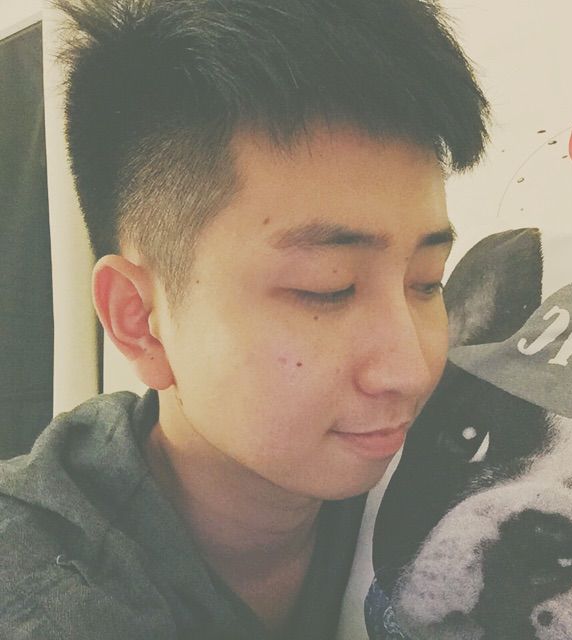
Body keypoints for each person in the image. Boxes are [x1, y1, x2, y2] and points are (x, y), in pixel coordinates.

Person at [0, 0, 489, 638]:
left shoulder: (452, 482)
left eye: (426, 281)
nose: (411, 370)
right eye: (328, 289)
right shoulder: (42, 595)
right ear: (139, 319)